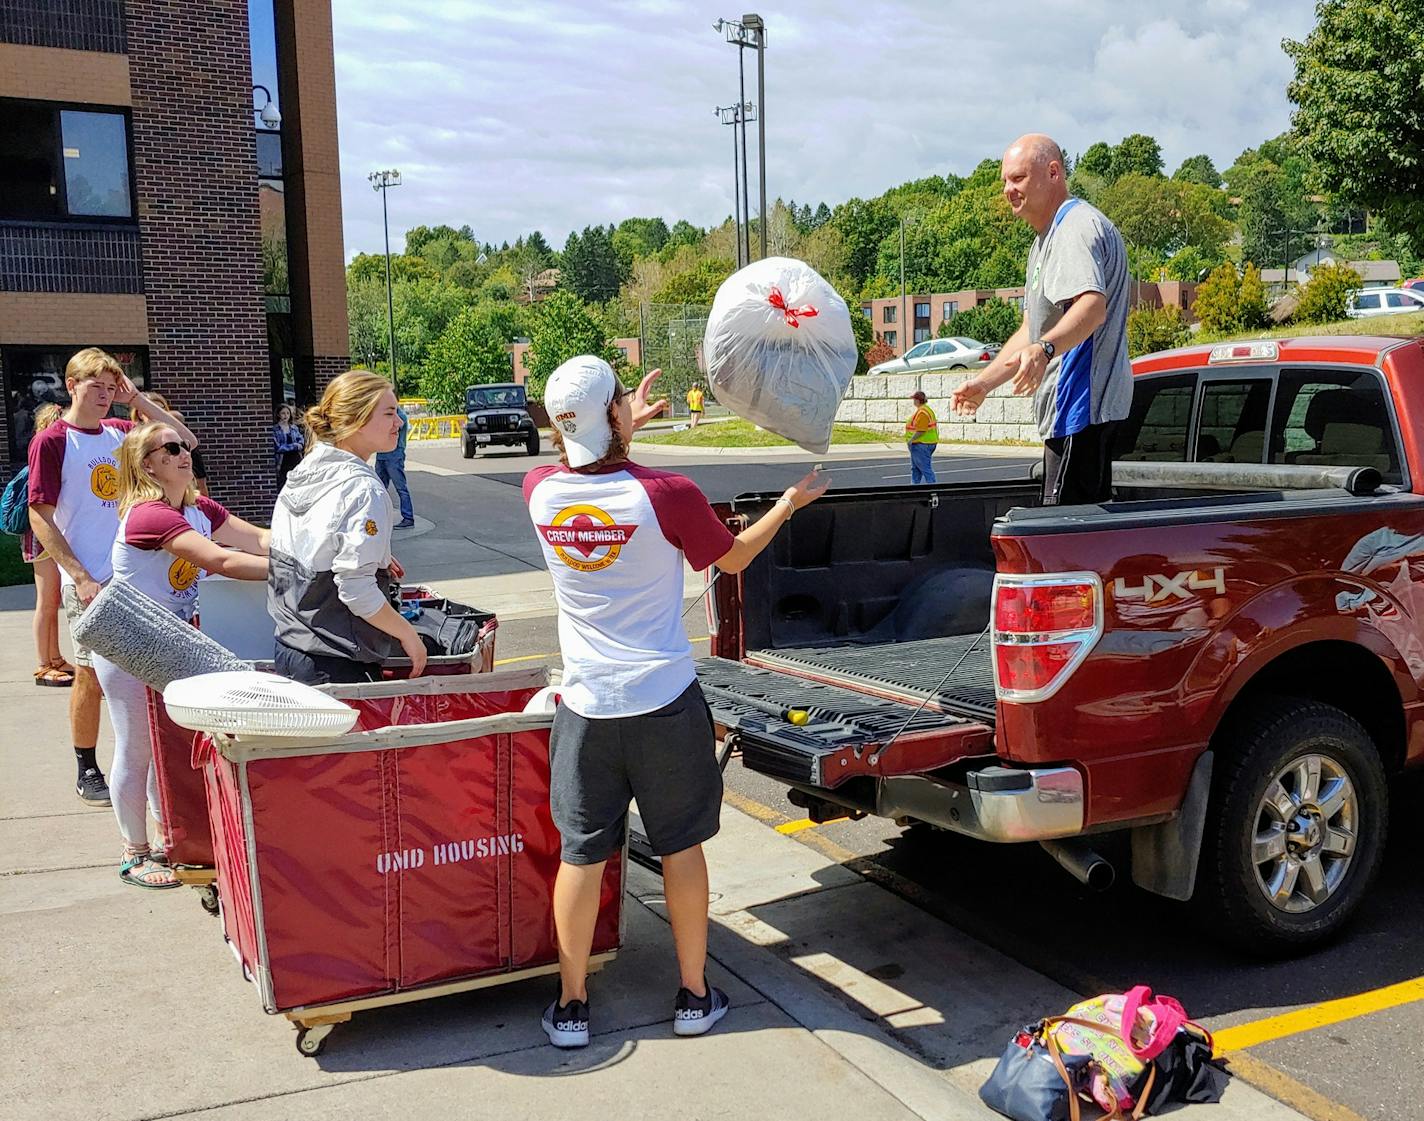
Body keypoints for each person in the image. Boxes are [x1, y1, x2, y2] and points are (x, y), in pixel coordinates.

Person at [525, 356, 828, 1049]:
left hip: (586, 707)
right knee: (680, 847)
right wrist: (787, 503)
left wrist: (621, 428)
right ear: (611, 417)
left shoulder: (538, 490)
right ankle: (694, 993)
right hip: (662, 700)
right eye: (622, 400)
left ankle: (572, 1005)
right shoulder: (670, 493)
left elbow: (594, 476)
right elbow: (733, 557)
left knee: (582, 853)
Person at [96, 421, 270, 888]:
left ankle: (167, 840)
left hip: (169, 641)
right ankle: (134, 853)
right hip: (128, 643)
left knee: (164, 745)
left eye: (184, 446)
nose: (182, 452)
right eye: (169, 448)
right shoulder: (149, 515)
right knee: (137, 748)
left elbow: (257, 540)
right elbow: (222, 560)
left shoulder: (196, 506)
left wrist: (319, 556)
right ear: (146, 464)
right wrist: (296, 576)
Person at [27, 348, 196, 807]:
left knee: (146, 676)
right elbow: (40, 515)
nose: (104, 396)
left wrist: (136, 399)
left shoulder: (122, 432)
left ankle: (151, 769)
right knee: (91, 676)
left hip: (135, 577)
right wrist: (78, 576)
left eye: (110, 387)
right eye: (95, 387)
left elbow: (185, 440)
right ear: (71, 386)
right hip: (91, 582)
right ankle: (86, 764)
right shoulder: (54, 441)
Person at [951, 134, 1132, 506]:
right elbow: (1030, 330)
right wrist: (985, 383)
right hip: (1071, 416)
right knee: (1072, 537)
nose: (1008, 189)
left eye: (1017, 178)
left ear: (1053, 172)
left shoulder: (1074, 229)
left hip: (1080, 411)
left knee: (1063, 540)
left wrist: (1046, 349)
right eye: (1004, 181)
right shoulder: (1044, 241)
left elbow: (1092, 307)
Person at [268, 371, 425, 685]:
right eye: (390, 413)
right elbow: (356, 590)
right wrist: (408, 635)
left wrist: (375, 554)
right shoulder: (365, 489)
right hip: (338, 660)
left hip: (288, 647)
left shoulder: (305, 472)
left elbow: (306, 548)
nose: (400, 422)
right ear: (356, 419)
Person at [25, 404, 73, 687]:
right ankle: (43, 665)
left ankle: (55, 658)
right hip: (42, 535)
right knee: (46, 600)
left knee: (53, 600)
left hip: (55, 533)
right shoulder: (45, 451)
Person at [140, 393, 209, 496]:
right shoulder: (132, 438)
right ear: (140, 414)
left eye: (161, 410)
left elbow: (201, 483)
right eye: (151, 408)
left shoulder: (183, 442)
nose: (184, 454)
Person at [375, 402, 414, 528]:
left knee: (401, 488)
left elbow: (388, 428)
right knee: (379, 488)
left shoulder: (399, 416)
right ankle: (379, 516)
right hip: (382, 455)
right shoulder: (385, 415)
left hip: (394, 456)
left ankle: (408, 517)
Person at [904, 389, 939, 484]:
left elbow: (921, 430)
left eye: (914, 399)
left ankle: (933, 489)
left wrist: (911, 440)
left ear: (918, 400)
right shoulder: (926, 410)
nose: (913, 401)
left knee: (925, 469)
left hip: (921, 444)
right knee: (916, 470)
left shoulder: (922, 412)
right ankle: (914, 489)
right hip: (924, 444)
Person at [272, 404, 304, 491]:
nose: (285, 415)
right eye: (283, 413)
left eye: (287, 413)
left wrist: (298, 445)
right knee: (284, 483)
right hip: (282, 460)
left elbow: (301, 442)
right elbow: (278, 447)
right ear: (278, 414)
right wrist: (294, 446)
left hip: (295, 458)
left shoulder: (294, 428)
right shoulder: (275, 429)